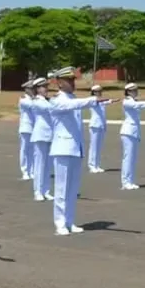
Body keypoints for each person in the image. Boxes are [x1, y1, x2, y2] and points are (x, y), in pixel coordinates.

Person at [49, 67, 108, 235]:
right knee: (62, 189)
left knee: (72, 189)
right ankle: (60, 223)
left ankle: (69, 221)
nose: (73, 83)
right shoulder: (58, 100)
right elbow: (73, 105)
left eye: (73, 80)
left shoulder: (72, 98)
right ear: (59, 82)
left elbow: (76, 104)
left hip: (75, 148)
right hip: (62, 148)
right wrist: (93, 100)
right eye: (69, 80)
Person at [120, 83, 145, 189]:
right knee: (128, 157)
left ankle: (131, 180)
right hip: (128, 131)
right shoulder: (127, 101)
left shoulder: (134, 101)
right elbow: (139, 106)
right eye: (133, 90)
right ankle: (125, 182)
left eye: (136, 90)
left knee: (133, 158)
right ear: (128, 91)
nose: (136, 92)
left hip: (134, 132)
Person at [27, 78, 54, 201]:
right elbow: (51, 109)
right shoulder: (37, 101)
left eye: (46, 87)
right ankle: (37, 191)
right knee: (39, 165)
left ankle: (46, 190)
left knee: (48, 165)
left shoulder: (47, 100)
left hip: (50, 135)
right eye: (43, 87)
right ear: (37, 89)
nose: (46, 89)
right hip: (40, 135)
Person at [87, 85, 113, 173]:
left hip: (101, 125)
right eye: (98, 91)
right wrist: (107, 100)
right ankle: (91, 165)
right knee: (94, 146)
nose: (100, 92)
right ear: (94, 92)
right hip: (94, 125)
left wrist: (112, 100)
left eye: (100, 91)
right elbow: (100, 101)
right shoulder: (92, 100)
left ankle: (97, 165)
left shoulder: (101, 101)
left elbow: (106, 102)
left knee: (99, 146)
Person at [17, 80, 36, 180]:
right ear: (27, 89)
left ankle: (32, 171)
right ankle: (25, 171)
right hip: (26, 127)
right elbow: (32, 106)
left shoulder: (34, 99)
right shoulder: (23, 99)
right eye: (32, 89)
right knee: (25, 150)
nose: (34, 90)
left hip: (34, 127)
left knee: (33, 150)